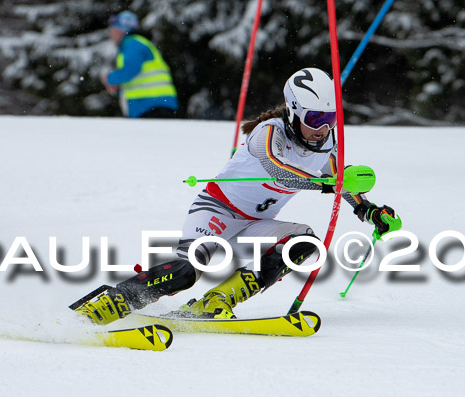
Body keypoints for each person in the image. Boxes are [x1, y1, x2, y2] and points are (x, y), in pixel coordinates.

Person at [73, 68, 401, 323]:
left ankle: (217, 302)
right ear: (295, 111)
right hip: (216, 211)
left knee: (304, 243)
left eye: (330, 119)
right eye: (315, 119)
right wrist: (330, 185)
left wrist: (369, 212)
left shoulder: (327, 144)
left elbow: (340, 180)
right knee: (187, 272)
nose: (323, 128)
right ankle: (116, 300)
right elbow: (281, 171)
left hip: (255, 224)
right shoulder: (267, 132)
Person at [102, 11, 178, 118]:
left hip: (151, 104)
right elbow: (137, 80)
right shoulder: (136, 44)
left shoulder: (133, 43)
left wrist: (109, 79)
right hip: (152, 104)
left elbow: (131, 70)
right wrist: (118, 89)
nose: (111, 34)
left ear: (122, 30)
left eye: (113, 29)